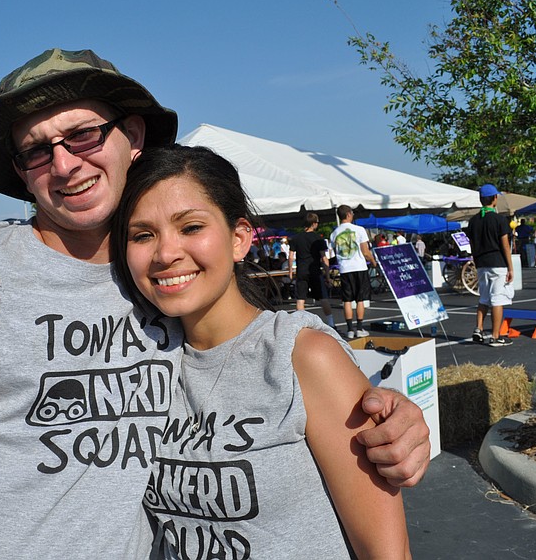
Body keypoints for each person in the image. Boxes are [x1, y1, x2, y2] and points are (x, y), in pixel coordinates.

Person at [0, 48, 430, 558]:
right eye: (36, 150)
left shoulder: (160, 286)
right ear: (20, 173)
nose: (65, 164)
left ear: (132, 135)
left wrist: (394, 420)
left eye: (83, 135)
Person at [111, 145, 410, 558]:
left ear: (239, 239)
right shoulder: (136, 361)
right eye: (143, 235)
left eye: (191, 227)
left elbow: (387, 553)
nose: (165, 253)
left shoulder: (302, 356)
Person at [467, 184, 514, 347]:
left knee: (484, 297)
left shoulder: (473, 221)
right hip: (497, 262)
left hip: (481, 263)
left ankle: (478, 328)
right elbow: (505, 245)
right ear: (494, 198)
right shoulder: (499, 219)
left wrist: (476, 261)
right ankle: (495, 336)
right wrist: (510, 267)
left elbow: (472, 245)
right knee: (497, 299)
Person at [330, 205, 377, 339]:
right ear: (349, 214)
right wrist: (373, 262)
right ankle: (360, 328)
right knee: (360, 299)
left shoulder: (334, 233)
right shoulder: (359, 230)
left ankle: (350, 329)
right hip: (359, 267)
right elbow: (365, 251)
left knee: (347, 300)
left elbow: (333, 250)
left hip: (345, 268)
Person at [290, 212, 334, 327]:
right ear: (314, 224)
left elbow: (291, 256)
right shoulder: (318, 239)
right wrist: (328, 276)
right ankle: (331, 323)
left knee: (300, 299)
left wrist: (290, 271)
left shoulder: (296, 238)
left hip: (301, 271)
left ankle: (301, 325)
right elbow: (324, 258)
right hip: (314, 271)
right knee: (323, 298)